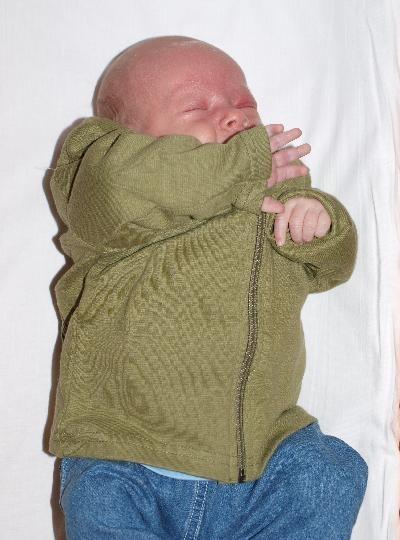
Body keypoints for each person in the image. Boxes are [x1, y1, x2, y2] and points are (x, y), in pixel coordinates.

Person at [50, 35, 368, 538]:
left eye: (245, 103)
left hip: (262, 461)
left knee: (329, 471)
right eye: (196, 107)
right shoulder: (104, 173)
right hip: (124, 454)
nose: (233, 116)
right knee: (99, 501)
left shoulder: (277, 194)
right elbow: (120, 184)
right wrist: (244, 165)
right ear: (126, 134)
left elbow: (332, 268)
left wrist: (320, 223)